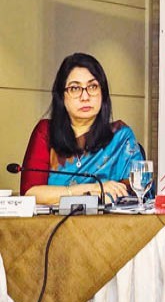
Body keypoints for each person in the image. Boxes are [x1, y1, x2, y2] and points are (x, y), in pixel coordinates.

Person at [21, 53, 143, 205]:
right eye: (75, 88)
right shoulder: (46, 132)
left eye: (92, 87)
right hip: (55, 220)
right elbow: (30, 193)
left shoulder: (120, 137)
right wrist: (91, 189)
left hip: (108, 219)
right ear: (61, 96)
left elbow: (137, 191)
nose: (85, 97)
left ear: (103, 93)